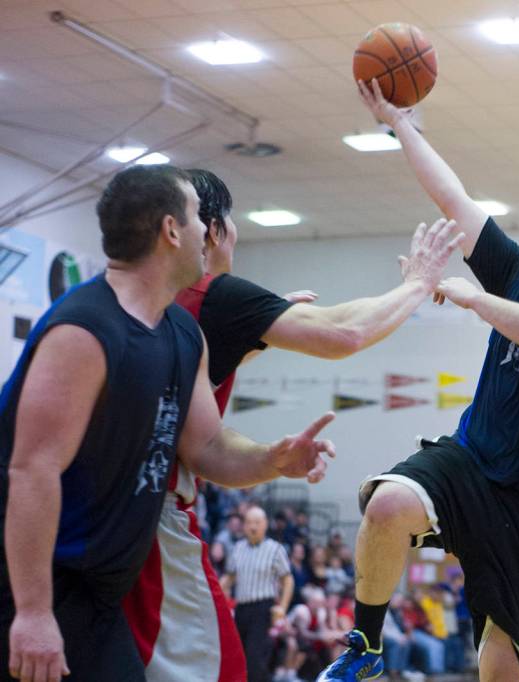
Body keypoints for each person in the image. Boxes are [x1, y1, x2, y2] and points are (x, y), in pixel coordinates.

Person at [317, 78, 519, 682]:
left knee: (500, 673)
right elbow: (454, 199)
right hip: (471, 463)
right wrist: (400, 123)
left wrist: (471, 298)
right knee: (387, 502)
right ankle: (366, 645)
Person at [122, 168, 464, 682]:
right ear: (209, 230)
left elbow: (203, 439)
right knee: (222, 670)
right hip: (146, 514)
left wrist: (269, 456)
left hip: (97, 515)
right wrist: (419, 282)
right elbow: (343, 332)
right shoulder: (210, 295)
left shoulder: (151, 311)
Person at [0, 165, 335, 682]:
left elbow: (207, 449)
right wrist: (32, 613)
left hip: (98, 588)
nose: (210, 231)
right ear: (171, 230)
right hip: (34, 582)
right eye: (198, 219)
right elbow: (31, 473)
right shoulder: (84, 332)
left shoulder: (180, 330)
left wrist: (273, 460)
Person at [219, 507, 295, 682]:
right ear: (243, 526)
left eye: (257, 522)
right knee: (239, 659)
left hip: (263, 610)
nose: (253, 527)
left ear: (265, 525)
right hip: (241, 609)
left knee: (255, 660)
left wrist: (282, 608)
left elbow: (288, 580)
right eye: (249, 522)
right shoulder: (237, 548)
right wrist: (214, 597)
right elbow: (228, 578)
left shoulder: (275, 549)